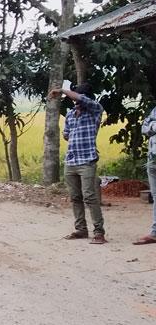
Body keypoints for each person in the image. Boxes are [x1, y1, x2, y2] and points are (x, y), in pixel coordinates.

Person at [51, 83, 106, 244]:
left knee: (89, 197)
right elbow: (66, 134)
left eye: (78, 98)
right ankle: (81, 229)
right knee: (75, 197)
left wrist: (62, 90)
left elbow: (81, 98)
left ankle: (99, 232)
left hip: (87, 160)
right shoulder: (70, 114)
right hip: (71, 160)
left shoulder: (95, 110)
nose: (76, 101)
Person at [136, 104, 156, 245]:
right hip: (152, 159)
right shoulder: (155, 110)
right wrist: (153, 127)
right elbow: (144, 128)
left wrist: (152, 127)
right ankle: (155, 232)